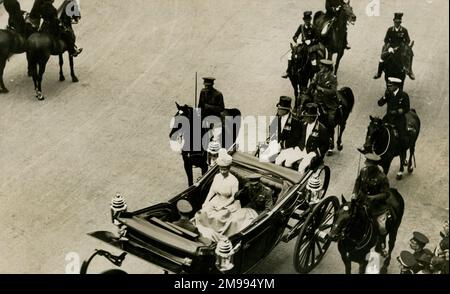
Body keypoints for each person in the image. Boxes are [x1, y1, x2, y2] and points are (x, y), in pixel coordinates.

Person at [194, 151, 240, 241]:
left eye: (225, 169)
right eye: (221, 169)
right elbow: (212, 190)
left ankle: (214, 236)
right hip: (217, 199)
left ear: (229, 168)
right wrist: (206, 201)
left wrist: (221, 206)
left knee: (218, 217)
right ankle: (201, 232)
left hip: (228, 203)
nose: (222, 171)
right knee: (202, 212)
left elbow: (233, 197)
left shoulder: (234, 181)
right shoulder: (217, 176)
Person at [275, 103, 329, 174]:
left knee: (302, 166)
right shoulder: (303, 124)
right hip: (301, 148)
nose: (304, 117)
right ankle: (286, 178)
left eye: (306, 116)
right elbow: (296, 137)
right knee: (287, 161)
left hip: (311, 152)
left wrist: (316, 153)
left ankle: (300, 182)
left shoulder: (321, 129)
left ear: (312, 117)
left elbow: (326, 145)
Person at [374, 13, 414, 80]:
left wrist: (403, 46)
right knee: (382, 57)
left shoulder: (404, 30)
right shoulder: (390, 30)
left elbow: (408, 40)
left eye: (398, 22)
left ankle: (410, 71)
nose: (397, 24)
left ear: (400, 22)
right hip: (391, 47)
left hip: (400, 48)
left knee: (410, 55)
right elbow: (386, 39)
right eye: (396, 22)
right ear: (394, 21)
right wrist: (389, 47)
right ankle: (379, 73)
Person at [260, 96, 295, 163]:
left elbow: (295, 138)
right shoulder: (278, 116)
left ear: (286, 110)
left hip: (287, 146)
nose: (277, 110)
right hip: (276, 142)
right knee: (263, 155)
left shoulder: (294, 120)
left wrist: (282, 144)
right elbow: (272, 127)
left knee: (276, 160)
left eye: (280, 109)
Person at [282, 11, 317, 79]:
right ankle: (288, 71)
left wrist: (310, 41)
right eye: (306, 20)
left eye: (308, 19)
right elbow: (295, 36)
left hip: (311, 47)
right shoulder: (301, 27)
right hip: (302, 45)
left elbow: (317, 39)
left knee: (313, 60)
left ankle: (315, 75)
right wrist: (297, 40)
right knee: (290, 55)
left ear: (310, 19)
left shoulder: (313, 28)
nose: (307, 21)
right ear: (303, 20)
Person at [377, 77, 410, 148]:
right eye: (388, 86)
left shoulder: (403, 95)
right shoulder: (388, 94)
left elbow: (406, 108)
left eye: (390, 85)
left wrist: (397, 112)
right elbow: (379, 104)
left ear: (396, 86)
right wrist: (384, 97)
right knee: (377, 129)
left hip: (399, 119)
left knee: (402, 137)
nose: (388, 87)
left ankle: (402, 152)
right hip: (388, 117)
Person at [308, 59, 339, 132]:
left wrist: (322, 89)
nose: (320, 66)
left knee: (330, 119)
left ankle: (330, 133)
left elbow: (333, 91)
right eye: (321, 65)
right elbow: (313, 83)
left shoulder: (332, 77)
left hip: (328, 101)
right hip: (317, 99)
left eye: (322, 66)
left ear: (327, 68)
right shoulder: (319, 74)